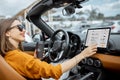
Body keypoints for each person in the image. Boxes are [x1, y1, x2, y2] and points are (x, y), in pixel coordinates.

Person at [0, 17, 97, 80]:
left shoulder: (11, 54)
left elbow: (27, 67)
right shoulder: (17, 56)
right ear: (7, 33)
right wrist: (82, 55)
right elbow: (54, 71)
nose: (24, 30)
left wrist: (36, 60)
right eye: (19, 27)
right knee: (68, 62)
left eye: (23, 26)